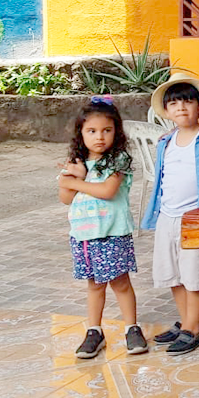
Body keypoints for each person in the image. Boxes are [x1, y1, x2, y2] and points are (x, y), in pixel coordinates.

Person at [141, 74, 199, 356]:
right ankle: (187, 322)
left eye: (188, 101)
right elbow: (162, 179)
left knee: (194, 274)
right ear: (167, 111)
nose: (181, 107)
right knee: (174, 275)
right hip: (168, 217)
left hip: (196, 219)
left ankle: (193, 327)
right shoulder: (165, 142)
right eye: (175, 103)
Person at [58, 97, 146, 359]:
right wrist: (70, 180)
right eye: (92, 131)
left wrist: (78, 180)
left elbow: (107, 191)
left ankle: (132, 327)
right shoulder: (77, 160)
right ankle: (94, 331)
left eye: (107, 130)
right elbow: (65, 197)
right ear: (81, 133)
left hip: (113, 232)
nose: (99, 137)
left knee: (120, 283)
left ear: (116, 132)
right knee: (95, 285)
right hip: (84, 235)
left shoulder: (117, 160)